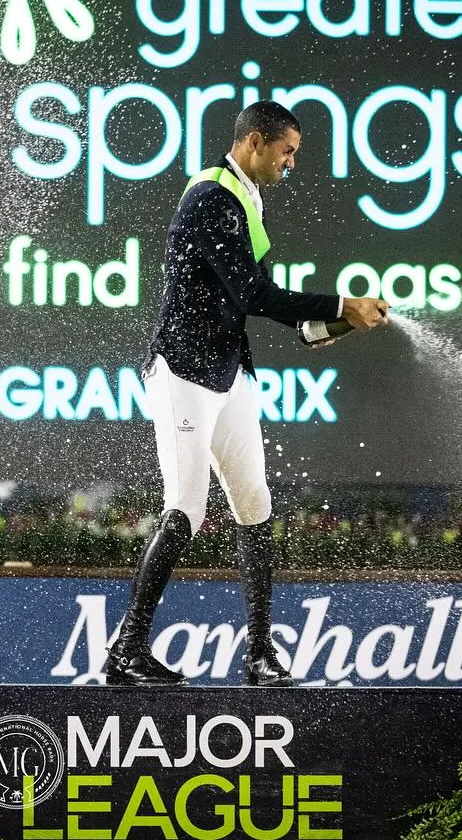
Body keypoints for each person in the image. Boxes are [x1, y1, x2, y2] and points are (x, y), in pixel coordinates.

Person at [106, 101, 388, 688]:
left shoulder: (248, 202)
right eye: (287, 152)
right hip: (183, 372)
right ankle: (125, 651)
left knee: (254, 507)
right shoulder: (212, 195)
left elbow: (258, 302)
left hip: (230, 373)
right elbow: (257, 294)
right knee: (185, 509)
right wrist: (340, 305)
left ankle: (260, 657)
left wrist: (331, 326)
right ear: (256, 142)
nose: (291, 164)